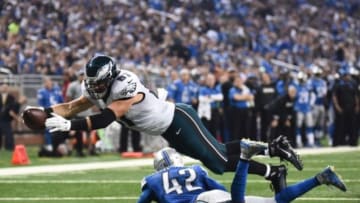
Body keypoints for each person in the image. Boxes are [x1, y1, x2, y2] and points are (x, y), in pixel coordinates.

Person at [40, 55, 302, 185]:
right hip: (168, 128)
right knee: (220, 153)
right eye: (91, 83)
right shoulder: (96, 89)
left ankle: (273, 167)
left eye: (98, 83)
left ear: (110, 78)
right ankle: (273, 152)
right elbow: (70, 106)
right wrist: (42, 112)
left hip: (177, 119)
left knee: (219, 163)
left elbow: (107, 117)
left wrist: (70, 126)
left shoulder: (124, 85)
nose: (94, 88)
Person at [139, 145, 346, 203]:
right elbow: (219, 190)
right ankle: (322, 177)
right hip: (211, 198)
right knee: (276, 202)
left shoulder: (152, 180)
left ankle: (245, 157)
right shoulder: (195, 170)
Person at [37, 76, 64, 153]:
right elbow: (40, 104)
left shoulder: (57, 90)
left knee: (60, 128)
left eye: (48, 81)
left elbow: (61, 101)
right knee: (48, 129)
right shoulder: (41, 92)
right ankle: (49, 145)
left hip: (57, 113)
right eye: (46, 82)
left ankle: (59, 144)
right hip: (47, 113)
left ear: (51, 82)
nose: (47, 83)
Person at [0, 81, 18, 151]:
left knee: (9, 134)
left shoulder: (11, 98)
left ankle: (9, 148)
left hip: (6, 119)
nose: (4, 89)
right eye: (3, 87)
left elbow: (13, 108)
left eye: (6, 87)